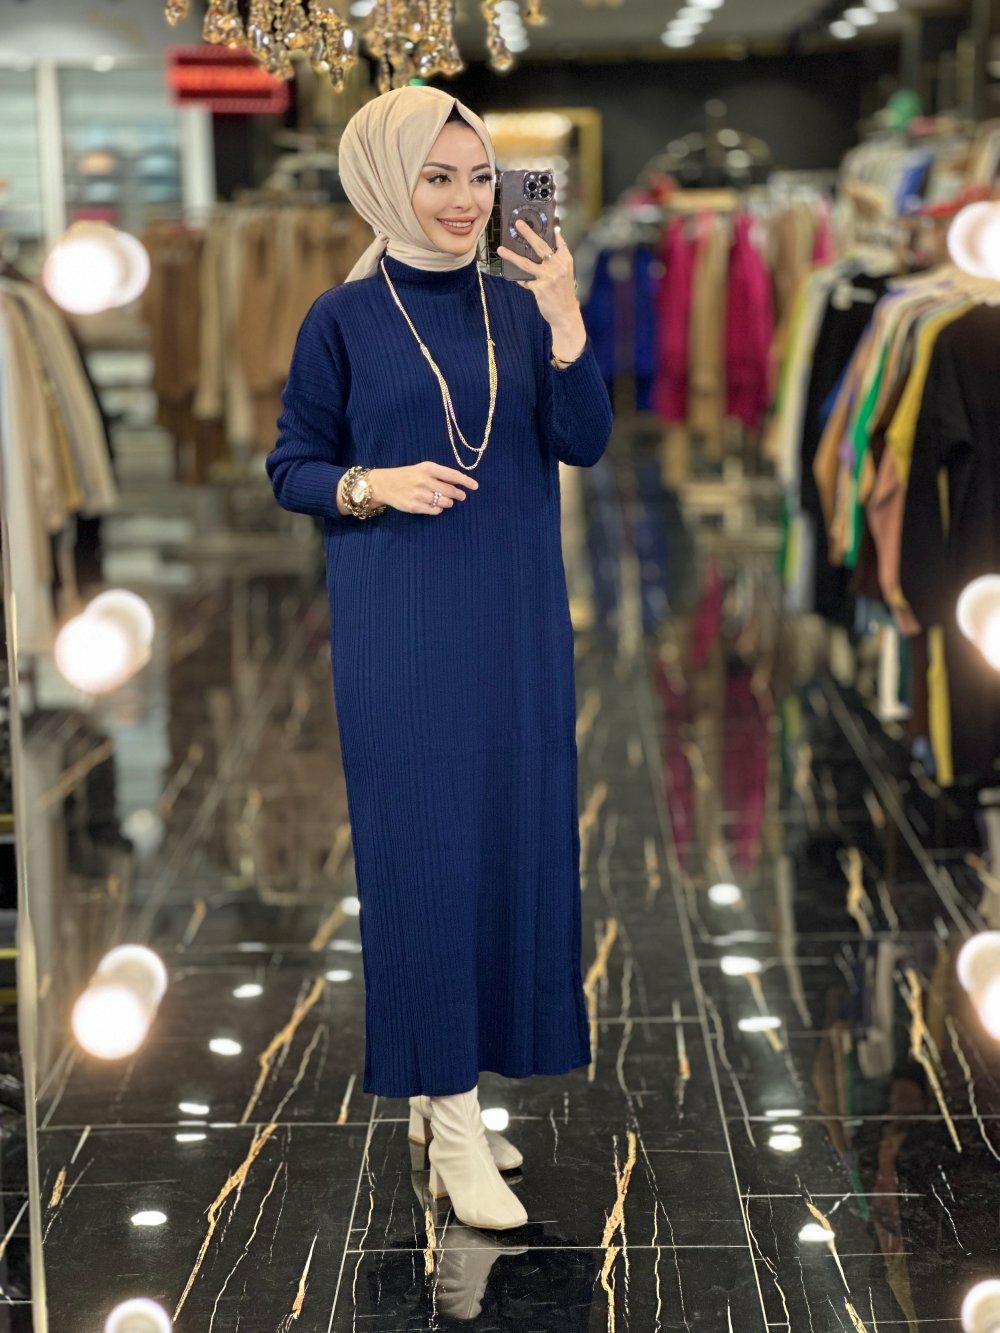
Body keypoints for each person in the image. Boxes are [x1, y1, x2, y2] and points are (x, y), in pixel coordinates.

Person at [265, 84, 613, 1231]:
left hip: (515, 622)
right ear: (384, 181)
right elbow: (292, 467)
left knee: (509, 845)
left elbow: (583, 440)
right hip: (401, 624)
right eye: (437, 178)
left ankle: (447, 1090)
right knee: (423, 857)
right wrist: (375, 484)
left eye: (478, 178)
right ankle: (454, 1122)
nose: (464, 201)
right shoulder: (342, 318)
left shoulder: (517, 305)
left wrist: (564, 317)